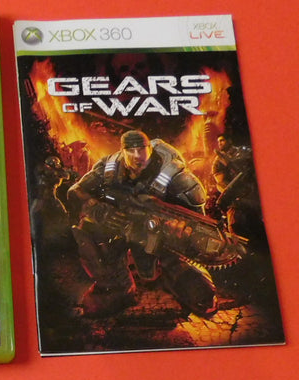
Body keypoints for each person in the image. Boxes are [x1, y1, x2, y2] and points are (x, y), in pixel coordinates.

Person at [66, 129, 217, 317]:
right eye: (131, 150)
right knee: (85, 231)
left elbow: (201, 225)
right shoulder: (109, 168)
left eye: (142, 149)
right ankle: (116, 285)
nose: (137, 156)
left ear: (150, 149)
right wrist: (95, 207)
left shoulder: (177, 178)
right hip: (121, 228)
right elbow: (75, 191)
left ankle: (181, 283)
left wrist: (183, 233)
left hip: (161, 237)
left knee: (200, 295)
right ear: (123, 151)